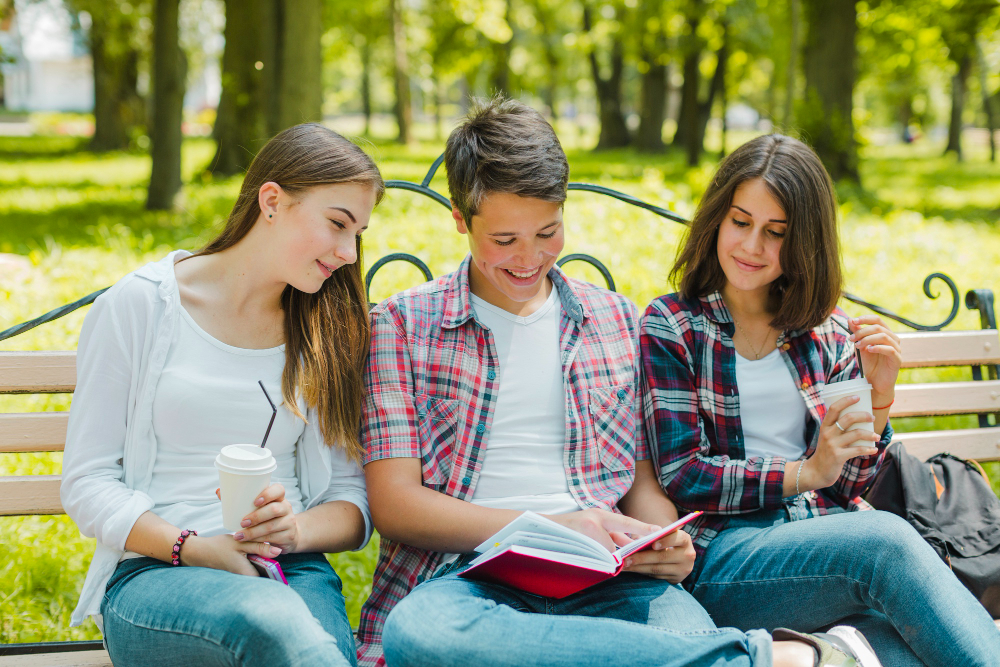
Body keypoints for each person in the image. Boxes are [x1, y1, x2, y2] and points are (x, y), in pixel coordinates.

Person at [355, 97, 875, 667]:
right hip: (467, 576)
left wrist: (664, 540)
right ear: (460, 219)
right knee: (420, 632)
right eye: (505, 240)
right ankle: (761, 661)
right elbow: (396, 505)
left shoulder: (614, 321)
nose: (529, 258)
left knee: (683, 631)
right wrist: (549, 527)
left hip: (611, 576)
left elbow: (640, 480)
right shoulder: (404, 326)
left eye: (548, 232)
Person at [640, 133, 1000, 667]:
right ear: (718, 218)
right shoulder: (673, 326)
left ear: (805, 240)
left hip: (824, 547)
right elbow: (683, 474)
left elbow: (849, 482)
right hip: (725, 558)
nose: (752, 246)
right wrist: (804, 472)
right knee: (886, 542)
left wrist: (878, 403)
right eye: (741, 222)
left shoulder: (824, 331)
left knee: (899, 648)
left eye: (776, 233)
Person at [61, 124, 382, 666]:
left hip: (288, 565)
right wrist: (195, 547)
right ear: (272, 201)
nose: (349, 253)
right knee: (284, 634)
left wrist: (296, 529)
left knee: (310, 647)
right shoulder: (141, 307)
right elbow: (88, 481)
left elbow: (353, 499)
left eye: (358, 234)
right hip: (159, 571)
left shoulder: (328, 328)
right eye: (336, 225)